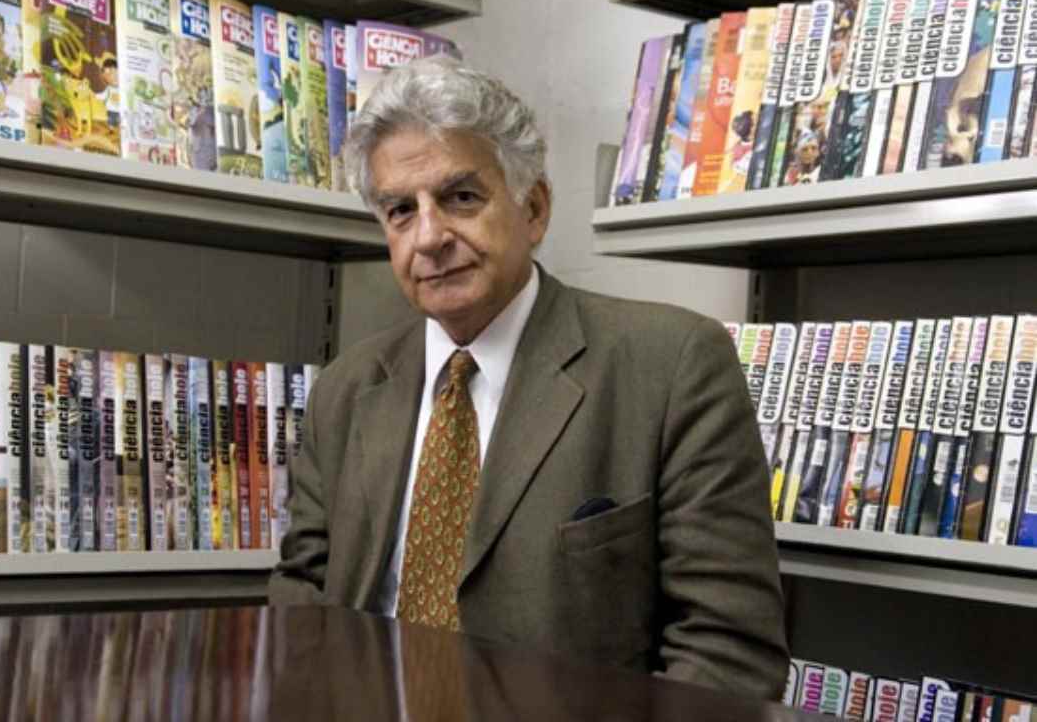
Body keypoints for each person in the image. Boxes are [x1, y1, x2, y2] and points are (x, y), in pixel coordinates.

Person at [272, 56, 788, 699]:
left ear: (534, 208)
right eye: (401, 210)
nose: (429, 237)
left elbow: (728, 652)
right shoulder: (345, 390)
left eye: (460, 197)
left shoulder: (673, 365)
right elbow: (301, 599)